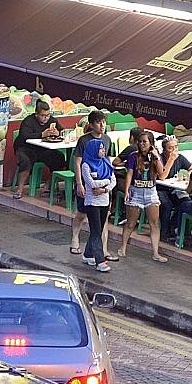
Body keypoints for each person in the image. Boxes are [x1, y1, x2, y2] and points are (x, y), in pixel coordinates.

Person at [115, 130, 168, 263]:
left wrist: (156, 157)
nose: (142, 144)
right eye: (140, 141)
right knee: (131, 223)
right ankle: (122, 248)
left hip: (150, 191)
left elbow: (162, 175)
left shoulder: (155, 156)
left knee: (154, 223)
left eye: (145, 141)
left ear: (151, 143)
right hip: (136, 191)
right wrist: (127, 190)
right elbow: (129, 174)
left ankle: (155, 252)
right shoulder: (133, 156)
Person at [75, 112, 117, 272]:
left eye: (104, 123)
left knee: (98, 228)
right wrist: (81, 184)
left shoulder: (106, 154)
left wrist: (106, 187)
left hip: (104, 199)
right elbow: (90, 181)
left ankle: (87, 254)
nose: (102, 126)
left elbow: (111, 176)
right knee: (95, 229)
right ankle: (100, 260)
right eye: (99, 123)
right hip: (92, 200)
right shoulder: (86, 161)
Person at [12, 101, 62, 199]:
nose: (46, 118)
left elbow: (61, 130)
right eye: (43, 115)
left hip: (42, 149)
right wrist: (42, 134)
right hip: (25, 148)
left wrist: (57, 133)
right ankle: (20, 189)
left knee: (58, 157)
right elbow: (24, 136)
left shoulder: (52, 121)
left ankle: (47, 186)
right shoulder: (28, 121)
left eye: (47, 115)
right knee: (25, 162)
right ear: (36, 114)